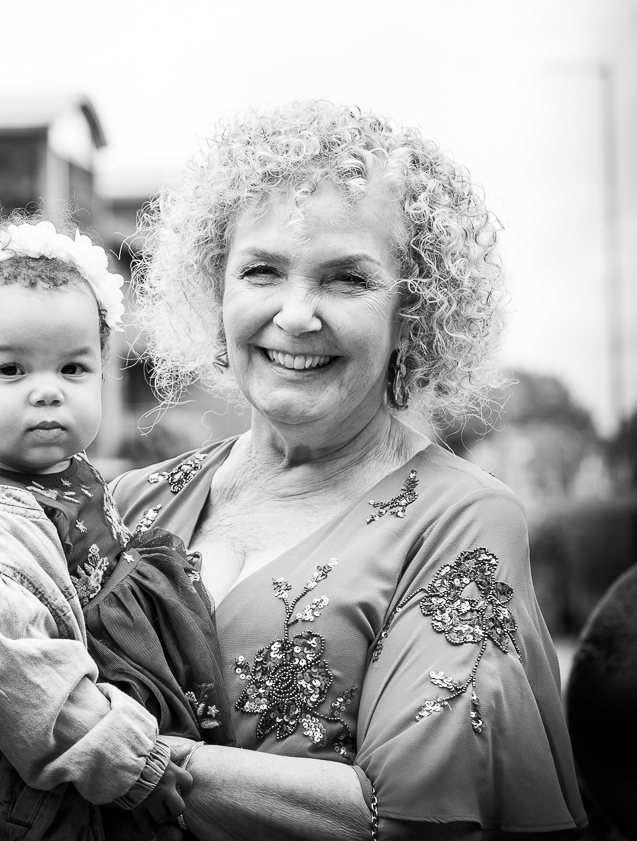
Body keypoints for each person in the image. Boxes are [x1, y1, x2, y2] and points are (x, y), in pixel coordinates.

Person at [116, 101, 584, 839]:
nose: (296, 315)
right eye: (262, 270)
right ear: (216, 288)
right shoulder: (128, 502)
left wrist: (126, 756)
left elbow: (406, 816)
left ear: (413, 311)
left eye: (346, 280)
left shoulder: (462, 522)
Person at [0, 219, 229, 841]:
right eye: (11, 370)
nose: (48, 392)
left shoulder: (54, 470)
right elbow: (19, 676)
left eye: (73, 368)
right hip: (59, 769)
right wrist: (128, 765)